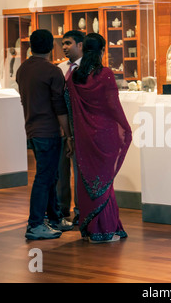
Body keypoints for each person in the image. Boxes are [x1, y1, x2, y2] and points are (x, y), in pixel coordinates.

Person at [66, 33, 132, 243]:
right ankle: (104, 230)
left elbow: (69, 107)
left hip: (83, 136)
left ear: (84, 50)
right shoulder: (105, 74)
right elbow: (113, 105)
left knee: (86, 180)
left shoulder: (74, 76)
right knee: (105, 182)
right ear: (102, 51)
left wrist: (71, 136)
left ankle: (90, 229)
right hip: (105, 135)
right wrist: (126, 128)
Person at [16, 29, 74, 240]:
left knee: (50, 175)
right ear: (52, 47)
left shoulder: (23, 69)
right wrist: (68, 135)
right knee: (44, 177)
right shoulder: (52, 71)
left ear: (31, 46)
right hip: (49, 131)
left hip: (32, 128)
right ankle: (35, 224)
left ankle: (55, 218)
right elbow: (59, 108)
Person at [57, 30, 84, 224]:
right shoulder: (59, 68)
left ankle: (80, 210)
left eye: (68, 43)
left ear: (80, 45)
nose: (64, 47)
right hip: (61, 126)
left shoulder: (87, 69)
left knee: (79, 170)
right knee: (61, 170)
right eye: (62, 44)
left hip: (81, 127)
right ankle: (61, 209)